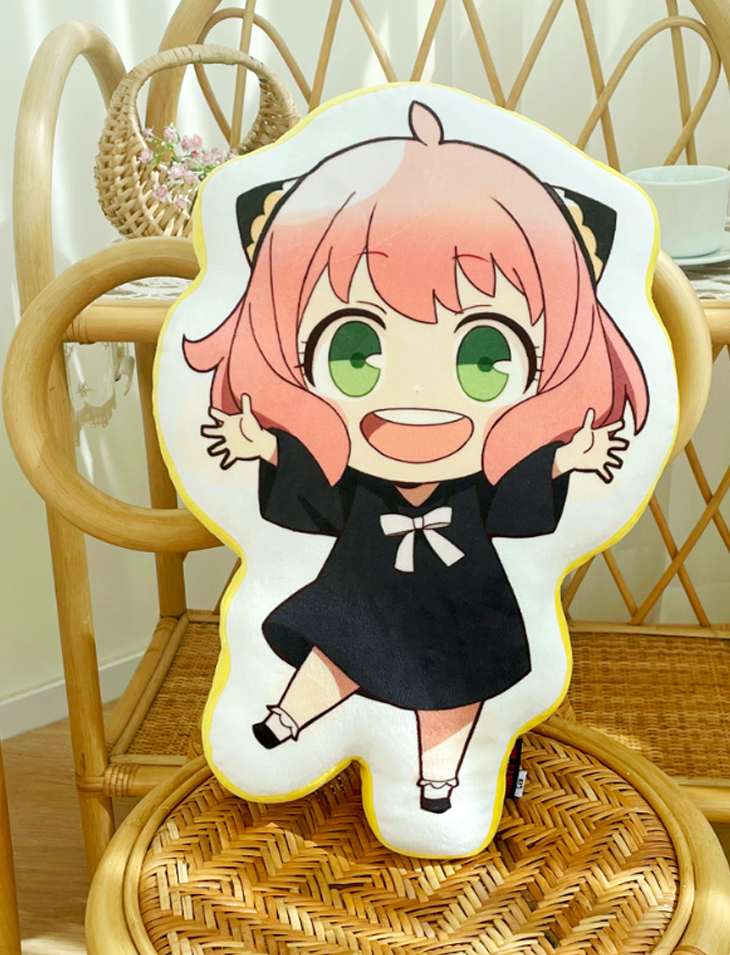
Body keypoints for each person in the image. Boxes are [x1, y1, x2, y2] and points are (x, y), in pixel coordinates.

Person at [185, 101, 649, 814]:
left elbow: (514, 498)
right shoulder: (360, 479)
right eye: (355, 355)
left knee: (456, 689)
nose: (418, 398)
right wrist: (266, 442)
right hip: (364, 588)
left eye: (485, 359)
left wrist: (564, 458)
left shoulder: (478, 481)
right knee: (337, 653)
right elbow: (317, 490)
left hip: (463, 604)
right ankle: (286, 719)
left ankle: (438, 784)